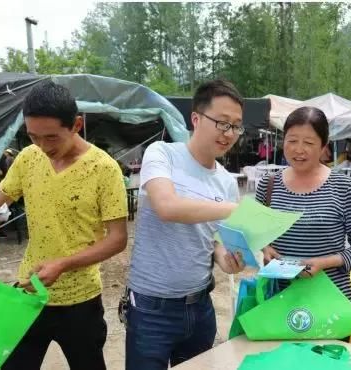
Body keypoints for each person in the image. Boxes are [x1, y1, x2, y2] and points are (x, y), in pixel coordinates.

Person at [0, 81, 128, 370]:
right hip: (29, 295)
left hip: (80, 302)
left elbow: (117, 239)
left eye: (52, 137)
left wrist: (62, 264)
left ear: (76, 125)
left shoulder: (103, 169)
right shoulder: (28, 158)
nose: (42, 147)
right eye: (33, 137)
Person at [125, 79, 245, 370]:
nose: (229, 134)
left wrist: (224, 259)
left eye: (236, 126)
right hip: (152, 308)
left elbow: (213, 237)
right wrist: (233, 210)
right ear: (196, 118)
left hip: (200, 306)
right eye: (222, 123)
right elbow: (167, 206)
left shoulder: (227, 181)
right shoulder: (162, 154)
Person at [255, 106, 351, 309]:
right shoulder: (269, 185)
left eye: (308, 143)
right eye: (292, 140)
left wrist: (324, 263)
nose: (298, 149)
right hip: (278, 301)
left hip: (329, 301)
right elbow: (255, 233)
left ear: (323, 146)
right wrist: (265, 248)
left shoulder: (344, 187)